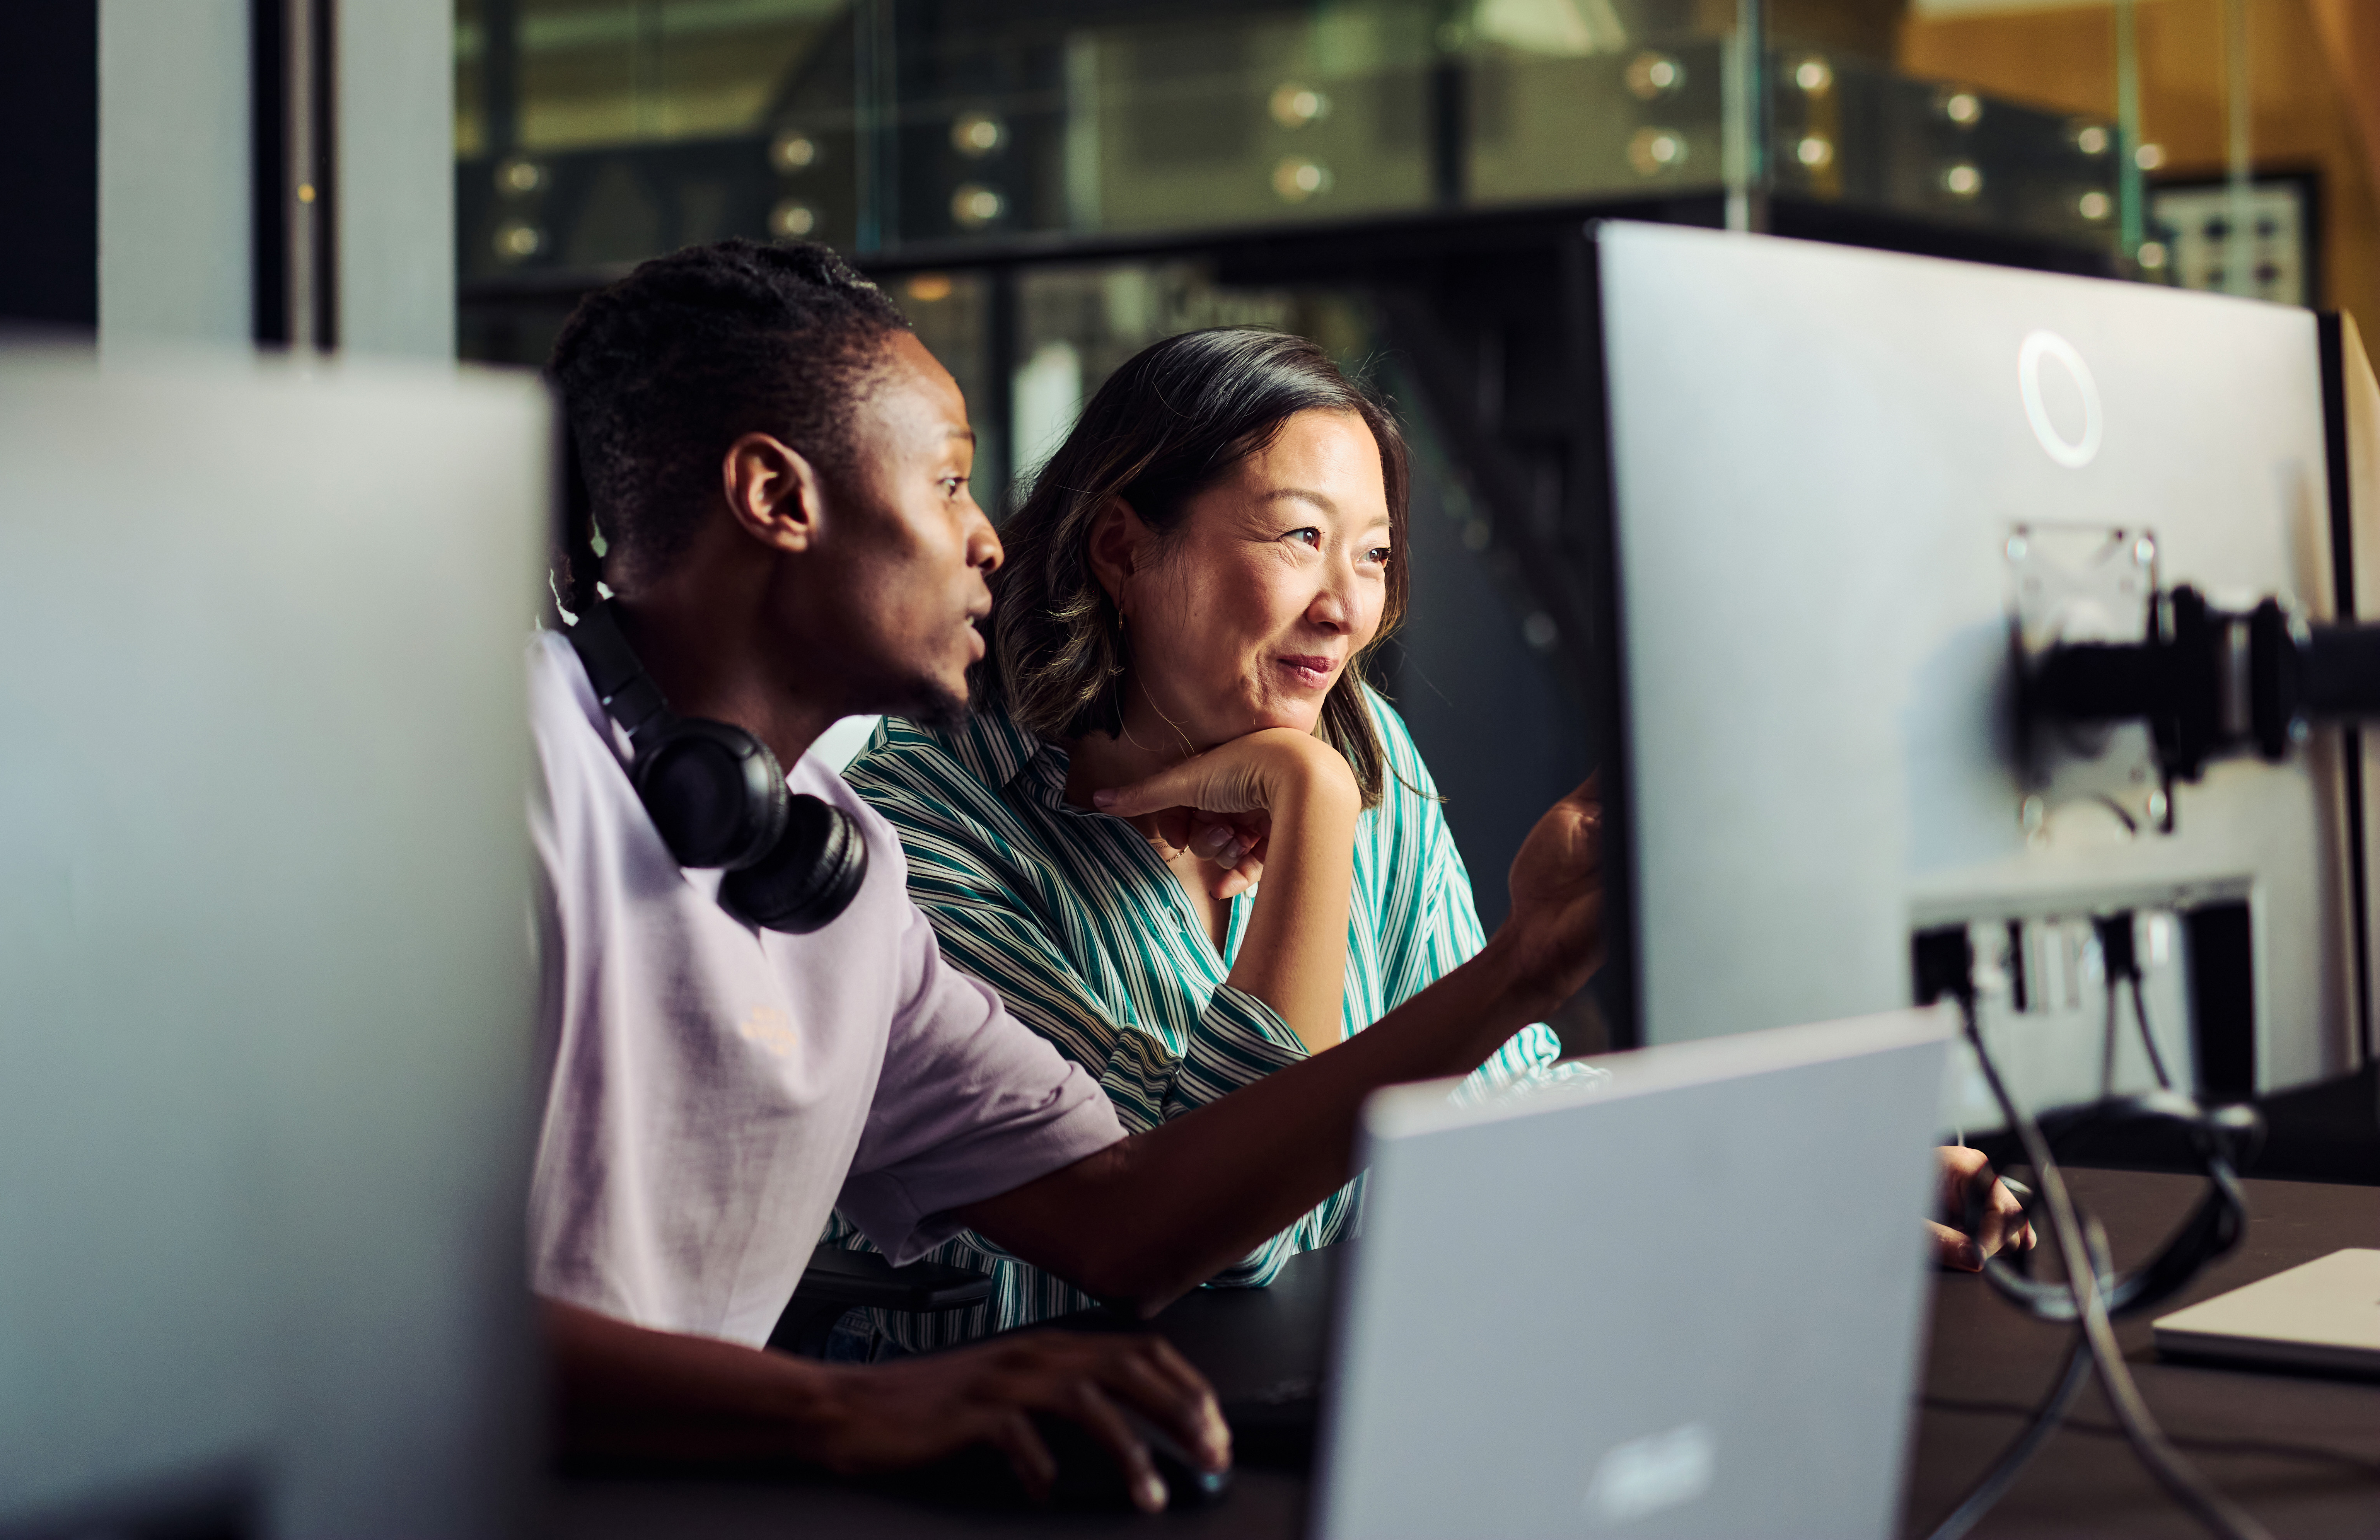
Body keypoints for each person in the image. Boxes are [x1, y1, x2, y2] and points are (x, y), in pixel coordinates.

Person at [527, 242, 1614, 1512]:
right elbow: (333, 1298)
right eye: (947, 485)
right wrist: (842, 1405)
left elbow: (1128, 1217)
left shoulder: (831, 865)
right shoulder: (505, 781)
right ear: (779, 495)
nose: (989, 540)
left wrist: (1527, 971)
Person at [838, 326, 2030, 1347]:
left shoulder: (1367, 751)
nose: (1348, 608)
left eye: (1373, 556)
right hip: (1013, 1462)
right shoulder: (930, 830)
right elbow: (1235, 1238)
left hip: (1293, 1401)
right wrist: (1310, 814)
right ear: (1123, 549)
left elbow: (1483, 1119)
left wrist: (1799, 1163)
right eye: (1300, 539)